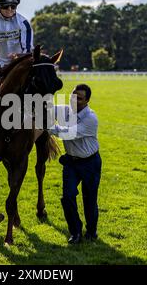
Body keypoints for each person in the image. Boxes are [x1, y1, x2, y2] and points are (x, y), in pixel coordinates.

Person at [48, 84, 102, 244]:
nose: (74, 100)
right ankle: (75, 232)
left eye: (79, 98)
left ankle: (92, 232)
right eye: (73, 96)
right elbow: (45, 108)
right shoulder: (64, 110)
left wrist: (49, 127)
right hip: (71, 163)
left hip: (90, 163)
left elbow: (69, 133)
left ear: (87, 101)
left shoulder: (91, 118)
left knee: (89, 199)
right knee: (68, 196)